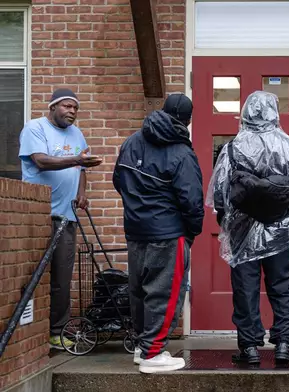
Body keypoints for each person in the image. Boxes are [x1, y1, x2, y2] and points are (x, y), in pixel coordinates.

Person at [206, 91, 289, 365]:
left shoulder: (232, 148)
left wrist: (227, 223)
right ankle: (284, 344)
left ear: (246, 113)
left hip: (241, 229)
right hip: (279, 228)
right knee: (284, 286)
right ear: (274, 112)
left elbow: (219, 194)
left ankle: (250, 347)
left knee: (245, 288)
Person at [112, 93, 205, 374]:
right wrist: (191, 232)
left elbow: (119, 180)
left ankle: (143, 348)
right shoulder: (181, 152)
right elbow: (192, 201)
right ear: (187, 121)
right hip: (168, 233)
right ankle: (153, 354)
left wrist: (138, 209)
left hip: (136, 229)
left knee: (139, 290)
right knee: (164, 293)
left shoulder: (131, 141)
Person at [18, 88, 103, 350]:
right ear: (53, 106)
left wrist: (81, 192)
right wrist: (77, 160)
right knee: (32, 276)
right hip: (38, 215)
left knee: (62, 280)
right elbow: (41, 161)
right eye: (67, 107)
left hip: (67, 217)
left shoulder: (77, 134)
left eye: (75, 108)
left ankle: (56, 333)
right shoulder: (35, 128)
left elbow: (81, 167)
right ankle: (27, 333)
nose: (72, 112)